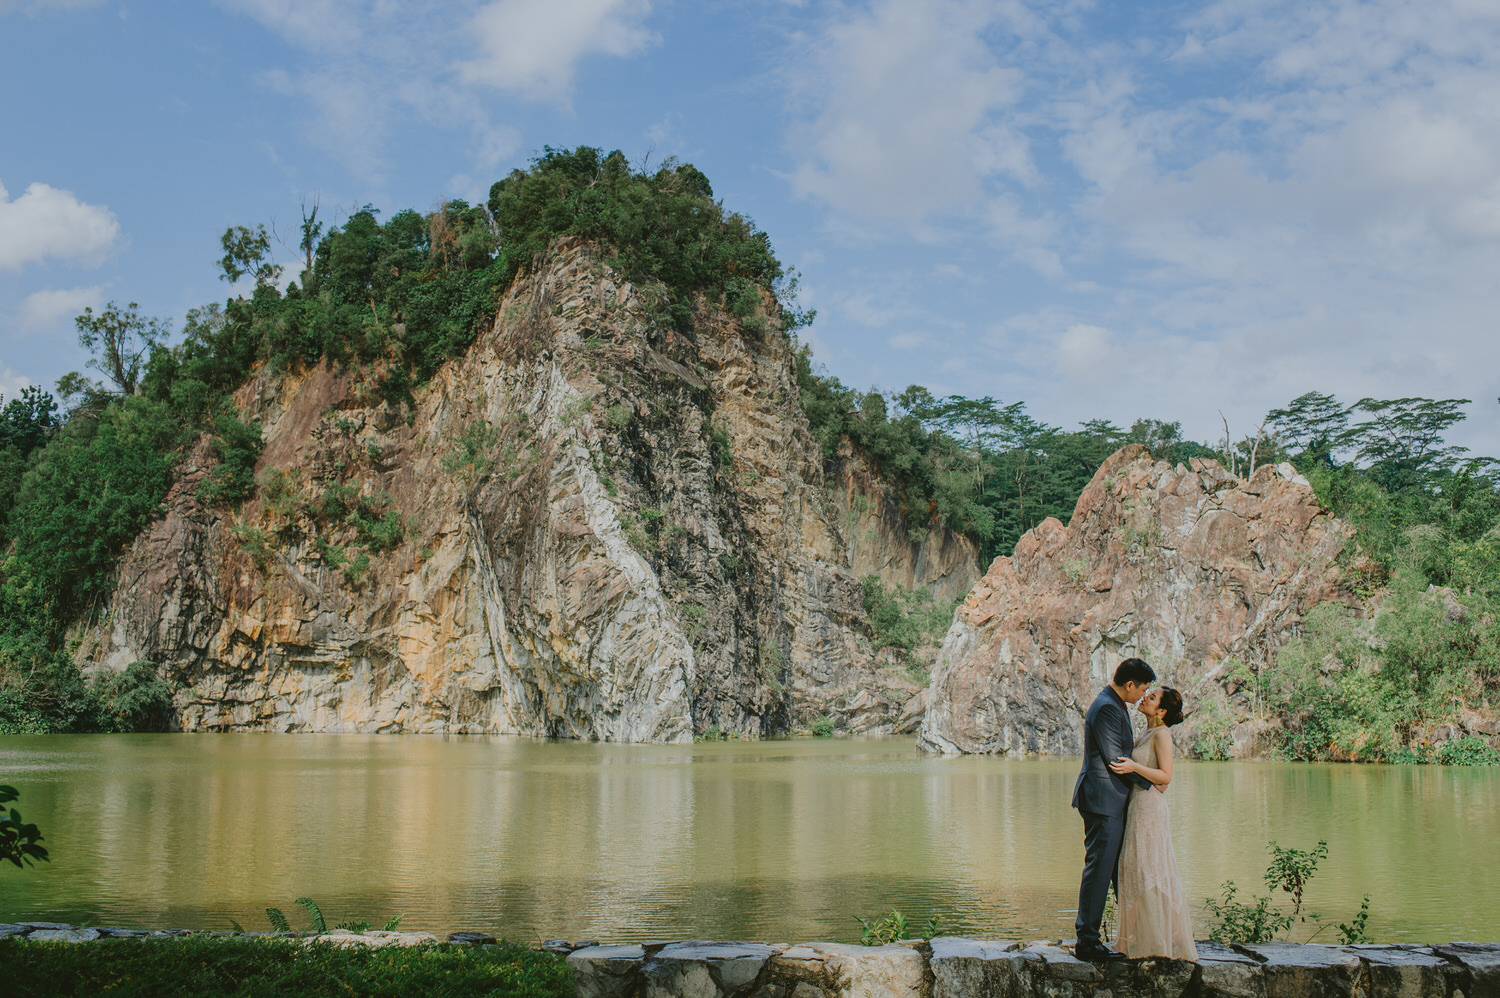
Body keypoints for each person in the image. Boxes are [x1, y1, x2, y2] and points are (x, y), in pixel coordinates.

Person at [1071, 657, 1155, 962]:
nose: (1143, 695)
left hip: (1110, 800)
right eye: (1143, 688)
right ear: (1129, 684)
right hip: (1102, 801)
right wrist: (1153, 786)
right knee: (1099, 870)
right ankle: (1087, 942)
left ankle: (1135, 935)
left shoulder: (1114, 704)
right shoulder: (1107, 706)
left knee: (1117, 869)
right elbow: (1116, 760)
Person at [1108, 687, 1198, 960]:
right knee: (1134, 868)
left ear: (1161, 711)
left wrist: (1134, 767)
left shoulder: (1162, 734)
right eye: (1147, 693)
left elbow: (1165, 776)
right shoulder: (1146, 732)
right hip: (1138, 805)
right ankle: (1135, 940)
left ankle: (1159, 942)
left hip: (1149, 810)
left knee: (1150, 869)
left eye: (1152, 697)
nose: (1145, 697)